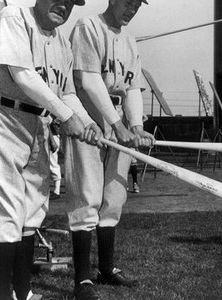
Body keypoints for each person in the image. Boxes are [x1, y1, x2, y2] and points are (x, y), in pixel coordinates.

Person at [0, 1, 102, 299]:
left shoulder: (61, 42)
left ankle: (23, 292)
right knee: (5, 207)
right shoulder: (13, 16)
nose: (65, 5)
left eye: (71, 2)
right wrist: (66, 117)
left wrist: (87, 123)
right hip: (0, 113)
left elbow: (66, 92)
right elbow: (22, 75)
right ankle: (4, 295)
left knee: (32, 208)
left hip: (37, 120)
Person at [63, 0, 155, 299]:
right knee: (87, 193)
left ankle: (106, 268)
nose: (132, 9)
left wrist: (137, 126)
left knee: (114, 196)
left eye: (137, 5)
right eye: (127, 2)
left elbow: (131, 89)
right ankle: (82, 280)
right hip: (89, 117)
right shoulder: (87, 26)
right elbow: (89, 80)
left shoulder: (129, 41)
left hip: (119, 121)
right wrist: (118, 126)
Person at [49, 118, 62, 200]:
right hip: (51, 137)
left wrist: (52, 141)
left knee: (53, 164)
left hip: (52, 138)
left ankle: (57, 191)